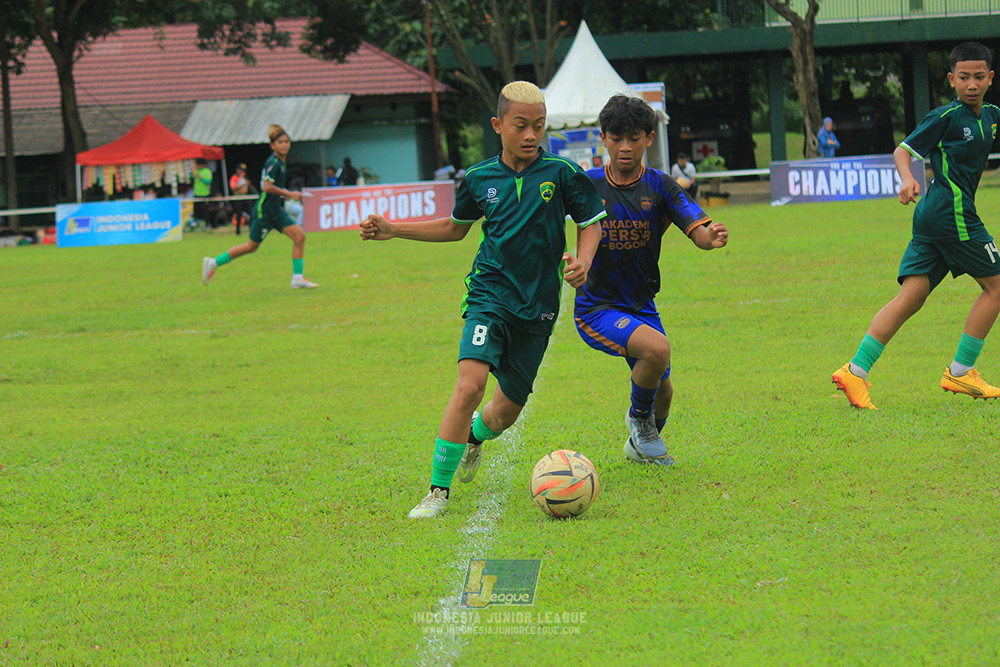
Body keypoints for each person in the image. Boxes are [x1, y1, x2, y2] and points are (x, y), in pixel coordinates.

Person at [359, 81, 606, 519]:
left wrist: (584, 261)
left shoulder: (563, 174)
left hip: (539, 305)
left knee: (507, 411)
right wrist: (395, 229)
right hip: (489, 295)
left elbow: (591, 223)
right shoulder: (477, 178)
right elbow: (455, 228)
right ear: (498, 125)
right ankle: (437, 491)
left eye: (539, 126)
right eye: (521, 126)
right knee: (470, 385)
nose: (531, 135)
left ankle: (475, 438)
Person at [832, 42, 1000, 410]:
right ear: (951, 79)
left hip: (934, 217)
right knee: (997, 287)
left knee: (911, 297)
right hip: (949, 212)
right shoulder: (946, 116)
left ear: (990, 78)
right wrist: (907, 179)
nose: (971, 84)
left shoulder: (990, 115)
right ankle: (961, 369)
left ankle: (854, 371)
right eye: (963, 77)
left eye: (978, 77)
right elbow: (903, 150)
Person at [578, 94, 728, 467]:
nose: (625, 147)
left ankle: (639, 443)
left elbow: (698, 229)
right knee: (658, 350)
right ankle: (640, 423)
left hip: (642, 303)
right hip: (597, 306)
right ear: (603, 139)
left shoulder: (661, 185)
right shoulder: (585, 184)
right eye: (616, 138)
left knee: (664, 390)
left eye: (633, 138)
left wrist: (710, 238)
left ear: (649, 138)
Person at [202, 124, 318, 289]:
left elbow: (272, 187)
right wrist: (290, 194)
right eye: (280, 142)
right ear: (272, 146)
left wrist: (287, 193)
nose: (284, 144)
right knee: (251, 246)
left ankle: (297, 279)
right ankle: (213, 262)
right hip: (265, 211)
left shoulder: (280, 162)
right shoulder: (274, 163)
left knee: (300, 237)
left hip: (275, 210)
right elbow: (267, 187)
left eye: (286, 141)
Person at [228, 162, 253, 235]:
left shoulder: (244, 178)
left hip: (245, 197)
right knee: (238, 215)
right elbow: (234, 189)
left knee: (251, 213)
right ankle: (238, 231)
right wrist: (244, 184)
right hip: (238, 198)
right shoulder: (234, 178)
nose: (242, 172)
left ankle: (251, 229)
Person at [192, 158, 214, 225]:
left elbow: (208, 181)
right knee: (196, 211)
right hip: (196, 194)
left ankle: (207, 224)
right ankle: (198, 225)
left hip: (205, 194)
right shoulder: (196, 171)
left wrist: (200, 177)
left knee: (205, 211)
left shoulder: (207, 171)